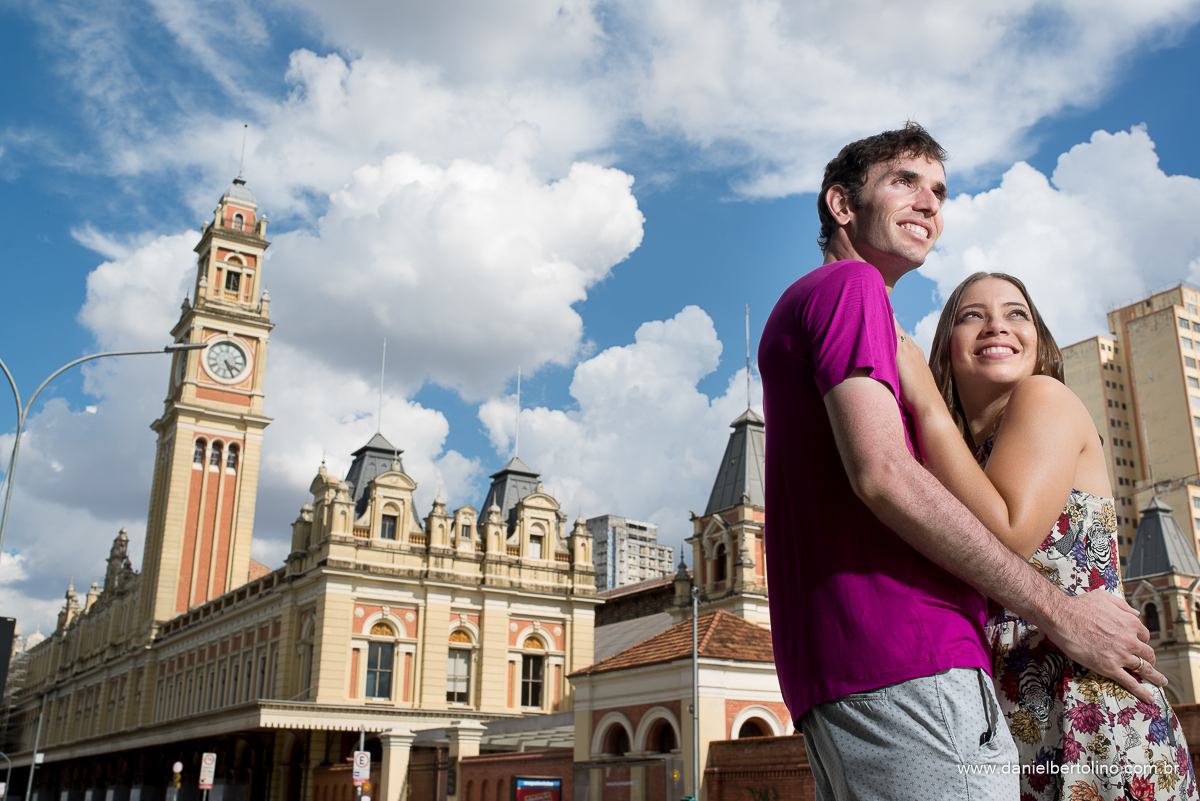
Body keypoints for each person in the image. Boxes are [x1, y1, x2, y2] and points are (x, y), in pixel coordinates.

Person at [758, 123, 1163, 801]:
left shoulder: (837, 310)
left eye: (938, 191)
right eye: (903, 181)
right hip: (911, 658)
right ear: (841, 203)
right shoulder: (852, 288)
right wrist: (1061, 613)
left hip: (888, 674)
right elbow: (884, 474)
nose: (927, 202)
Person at [894, 272, 1197, 800]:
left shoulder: (1043, 397)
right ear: (947, 347)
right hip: (1012, 723)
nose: (997, 325)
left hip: (1090, 707)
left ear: (1039, 341)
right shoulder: (962, 458)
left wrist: (924, 398)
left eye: (1017, 314)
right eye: (973, 314)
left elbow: (1006, 538)